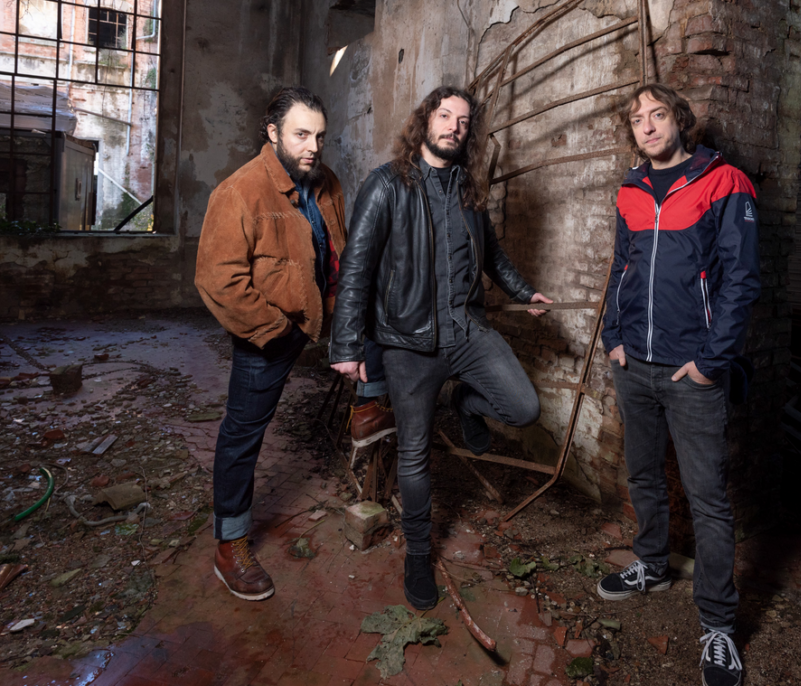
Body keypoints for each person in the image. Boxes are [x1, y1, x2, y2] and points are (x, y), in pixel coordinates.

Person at [330, 86, 552, 611]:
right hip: (408, 343)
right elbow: (356, 268)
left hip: (467, 330)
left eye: (463, 120)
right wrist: (347, 345)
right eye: (445, 115)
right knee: (415, 454)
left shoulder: (468, 188)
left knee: (524, 407)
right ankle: (417, 556)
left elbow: (492, 255)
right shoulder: (386, 184)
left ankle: (464, 401)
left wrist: (525, 292)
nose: (454, 126)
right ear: (425, 120)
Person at [194, 86, 393, 601]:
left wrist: (349, 308)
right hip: (272, 329)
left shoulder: (327, 182)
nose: (313, 147)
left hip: (327, 311)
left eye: (320, 136)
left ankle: (367, 408)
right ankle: (230, 544)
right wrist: (275, 330)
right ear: (272, 132)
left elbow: (340, 250)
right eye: (301, 135)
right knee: (242, 435)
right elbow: (218, 281)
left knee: (385, 314)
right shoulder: (239, 191)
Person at [597, 83, 761, 686]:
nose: (647, 126)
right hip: (633, 366)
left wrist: (710, 361)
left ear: (679, 120)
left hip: (691, 372)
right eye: (636, 119)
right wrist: (613, 337)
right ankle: (650, 564)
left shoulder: (725, 182)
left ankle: (718, 626)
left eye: (657, 114)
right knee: (643, 475)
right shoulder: (630, 189)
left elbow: (741, 280)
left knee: (708, 499)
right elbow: (621, 266)